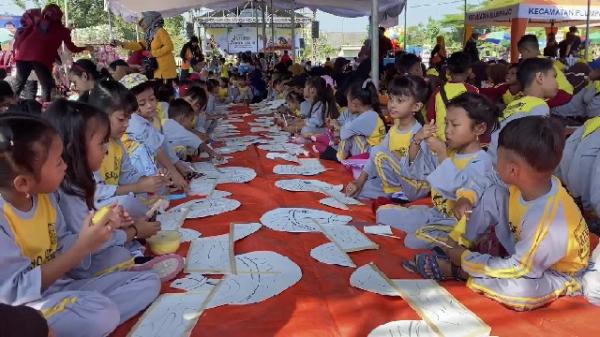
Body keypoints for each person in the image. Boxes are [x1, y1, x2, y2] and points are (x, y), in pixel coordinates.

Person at [0, 113, 160, 337]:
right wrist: (82, 247)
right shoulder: (3, 217)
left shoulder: (46, 196)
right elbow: (14, 293)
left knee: (148, 281)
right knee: (100, 312)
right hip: (26, 310)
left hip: (62, 288)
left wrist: (101, 228)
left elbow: (65, 246)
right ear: (23, 182)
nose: (65, 165)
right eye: (58, 162)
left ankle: (84, 318)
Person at [416, 116, 589, 311]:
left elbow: (521, 268)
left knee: (520, 292)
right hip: (524, 248)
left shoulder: (548, 221)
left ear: (513, 170)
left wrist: (466, 261)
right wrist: (467, 199)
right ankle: (458, 246)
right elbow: (487, 179)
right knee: (493, 193)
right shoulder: (527, 182)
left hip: (553, 272)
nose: (493, 164)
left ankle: (458, 270)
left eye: (496, 159)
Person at [377, 92, 499, 249]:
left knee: (414, 240)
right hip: (435, 213)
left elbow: (459, 190)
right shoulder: (451, 151)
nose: (447, 130)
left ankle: (454, 246)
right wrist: (417, 140)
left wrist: (441, 153)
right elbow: (415, 172)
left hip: (455, 223)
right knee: (383, 213)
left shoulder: (482, 161)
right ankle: (428, 229)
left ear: (479, 128)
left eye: (454, 125)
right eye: (446, 123)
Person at [84, 80, 169, 216]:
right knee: (126, 203)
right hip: (95, 207)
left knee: (155, 192)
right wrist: (137, 187)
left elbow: (128, 175)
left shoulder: (117, 143)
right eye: (121, 119)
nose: (126, 125)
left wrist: (151, 180)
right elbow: (96, 192)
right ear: (100, 116)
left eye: (129, 119)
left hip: (115, 199)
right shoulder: (87, 146)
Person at [345, 75, 430, 200]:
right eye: (391, 99)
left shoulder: (420, 134)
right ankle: (394, 192)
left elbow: (420, 172)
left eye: (399, 101)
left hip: (414, 185)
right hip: (396, 181)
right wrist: (359, 181)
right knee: (358, 192)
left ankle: (397, 194)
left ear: (416, 107)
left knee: (377, 150)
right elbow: (375, 159)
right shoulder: (394, 130)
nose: (392, 105)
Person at [119, 73, 189, 189]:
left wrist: (178, 164)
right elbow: (157, 148)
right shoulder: (135, 121)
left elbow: (162, 143)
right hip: (138, 175)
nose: (150, 105)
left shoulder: (152, 118)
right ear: (129, 105)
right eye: (142, 103)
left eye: (152, 99)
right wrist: (175, 174)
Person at [12, 4, 91, 102]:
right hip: (40, 58)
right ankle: (47, 107)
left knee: (19, 83)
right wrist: (86, 48)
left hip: (22, 55)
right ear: (60, 16)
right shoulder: (62, 30)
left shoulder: (37, 24)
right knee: (47, 85)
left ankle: (7, 105)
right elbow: (72, 48)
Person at [487, 58, 557, 163]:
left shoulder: (514, 105)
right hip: (507, 169)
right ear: (540, 78)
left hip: (493, 162)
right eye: (554, 77)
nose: (557, 83)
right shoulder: (538, 106)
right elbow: (536, 148)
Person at [427, 52, 479, 140]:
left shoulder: (438, 91)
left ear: (448, 71)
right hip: (463, 141)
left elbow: (430, 116)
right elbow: (477, 116)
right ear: (469, 71)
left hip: (442, 140)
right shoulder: (473, 91)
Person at [117, 11, 177, 83]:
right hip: (155, 67)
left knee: (165, 91)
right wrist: (121, 43)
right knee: (158, 90)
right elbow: (138, 45)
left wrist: (153, 53)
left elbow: (169, 46)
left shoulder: (161, 31)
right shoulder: (149, 35)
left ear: (150, 20)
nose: (141, 27)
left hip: (165, 67)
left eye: (143, 23)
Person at [336, 78, 386, 161]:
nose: (347, 105)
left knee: (349, 136)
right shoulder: (371, 114)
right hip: (374, 153)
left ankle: (340, 157)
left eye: (347, 101)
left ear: (355, 103)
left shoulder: (367, 117)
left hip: (371, 155)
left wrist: (337, 127)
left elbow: (343, 134)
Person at [518, 34, 573, 108]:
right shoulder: (543, 61)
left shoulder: (536, 64)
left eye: (521, 54)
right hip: (563, 92)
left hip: (562, 93)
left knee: (532, 105)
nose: (522, 57)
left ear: (527, 50)